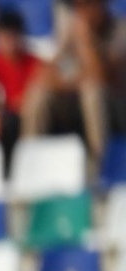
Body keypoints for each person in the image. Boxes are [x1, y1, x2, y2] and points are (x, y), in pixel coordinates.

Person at [23, 0, 126, 157]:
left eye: (88, 5)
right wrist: (76, 79)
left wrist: (86, 41)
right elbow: (48, 74)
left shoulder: (120, 30)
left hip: (116, 106)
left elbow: (102, 77)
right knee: (39, 94)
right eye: (79, 7)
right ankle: (32, 158)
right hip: (77, 100)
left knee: (92, 93)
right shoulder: (72, 30)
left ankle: (99, 163)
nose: (83, 12)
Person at [0, 9, 43, 164]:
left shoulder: (35, 63)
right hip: (7, 115)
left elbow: (35, 96)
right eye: (4, 37)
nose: (8, 42)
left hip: (27, 115)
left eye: (12, 36)